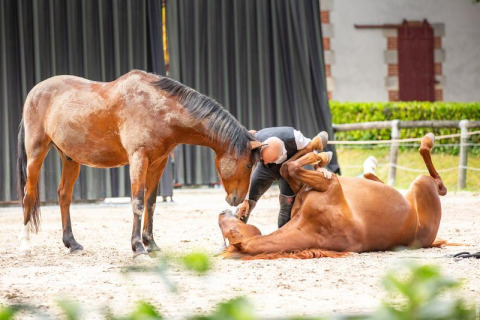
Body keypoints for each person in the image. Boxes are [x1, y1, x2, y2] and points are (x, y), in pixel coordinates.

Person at [236, 126, 327, 228]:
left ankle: (281, 237)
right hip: (265, 169)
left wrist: (318, 167)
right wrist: (245, 200)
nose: (265, 161)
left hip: (288, 171)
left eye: (269, 160)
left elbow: (312, 148)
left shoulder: (295, 138)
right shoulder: (256, 143)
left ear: (281, 153)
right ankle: (235, 232)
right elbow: (246, 172)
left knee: (286, 206)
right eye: (263, 158)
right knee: (247, 202)